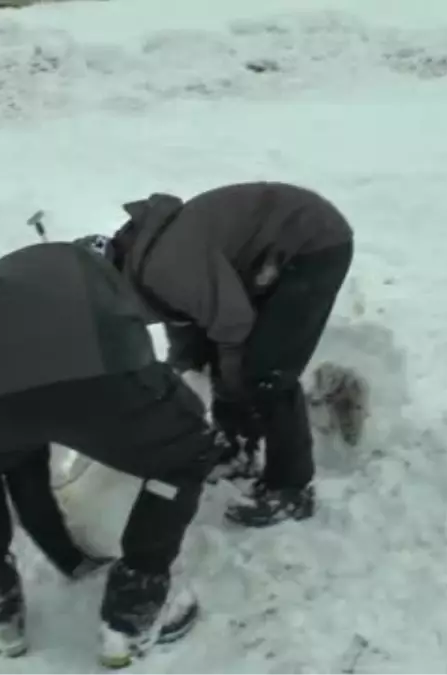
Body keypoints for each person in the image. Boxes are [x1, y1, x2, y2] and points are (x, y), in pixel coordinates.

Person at [0, 239, 224, 667]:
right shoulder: (102, 280)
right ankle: (132, 616)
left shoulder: (11, 270)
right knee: (184, 455)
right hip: (96, 386)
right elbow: (139, 364)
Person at [93, 181, 354, 529]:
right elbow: (188, 333)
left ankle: (291, 488)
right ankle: (238, 451)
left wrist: (232, 384)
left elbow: (232, 327)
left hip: (310, 242)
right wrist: (182, 378)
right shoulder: (145, 269)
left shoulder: (165, 270)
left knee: (266, 371)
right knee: (227, 363)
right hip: (267, 254)